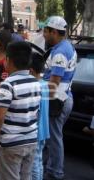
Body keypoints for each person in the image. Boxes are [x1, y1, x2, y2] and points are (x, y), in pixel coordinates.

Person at [0, 41, 41, 180]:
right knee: (26, 177)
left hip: (11, 142)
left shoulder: (8, 84)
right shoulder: (35, 82)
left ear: (9, 60)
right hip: (31, 140)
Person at [42, 16, 77, 180]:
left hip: (57, 99)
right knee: (53, 137)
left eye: (46, 31)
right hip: (64, 97)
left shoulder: (60, 52)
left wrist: (43, 101)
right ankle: (51, 168)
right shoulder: (67, 46)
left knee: (54, 138)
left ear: (54, 32)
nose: (43, 35)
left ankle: (55, 172)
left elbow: (54, 82)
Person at [30, 53, 50, 180]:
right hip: (43, 130)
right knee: (38, 160)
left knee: (33, 164)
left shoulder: (35, 86)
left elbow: (34, 112)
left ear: (31, 71)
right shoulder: (44, 84)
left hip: (36, 131)